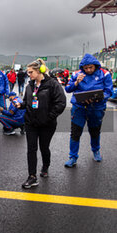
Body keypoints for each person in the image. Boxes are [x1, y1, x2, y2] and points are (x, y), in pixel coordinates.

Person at [15, 59, 66, 189]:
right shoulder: (29, 86)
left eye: (31, 72)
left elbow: (61, 103)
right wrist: (21, 105)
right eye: (28, 72)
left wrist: (49, 117)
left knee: (44, 147)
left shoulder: (53, 84)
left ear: (39, 71)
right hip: (31, 123)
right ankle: (32, 176)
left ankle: (45, 166)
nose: (29, 74)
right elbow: (27, 102)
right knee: (31, 149)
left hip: (47, 124)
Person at [64, 54, 113, 168]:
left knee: (95, 131)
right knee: (75, 132)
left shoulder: (104, 74)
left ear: (95, 65)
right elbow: (67, 88)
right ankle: (73, 157)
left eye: (91, 67)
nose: (88, 70)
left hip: (96, 108)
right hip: (79, 108)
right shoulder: (77, 74)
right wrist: (76, 82)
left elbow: (108, 91)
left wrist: (98, 97)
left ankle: (96, 151)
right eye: (86, 68)